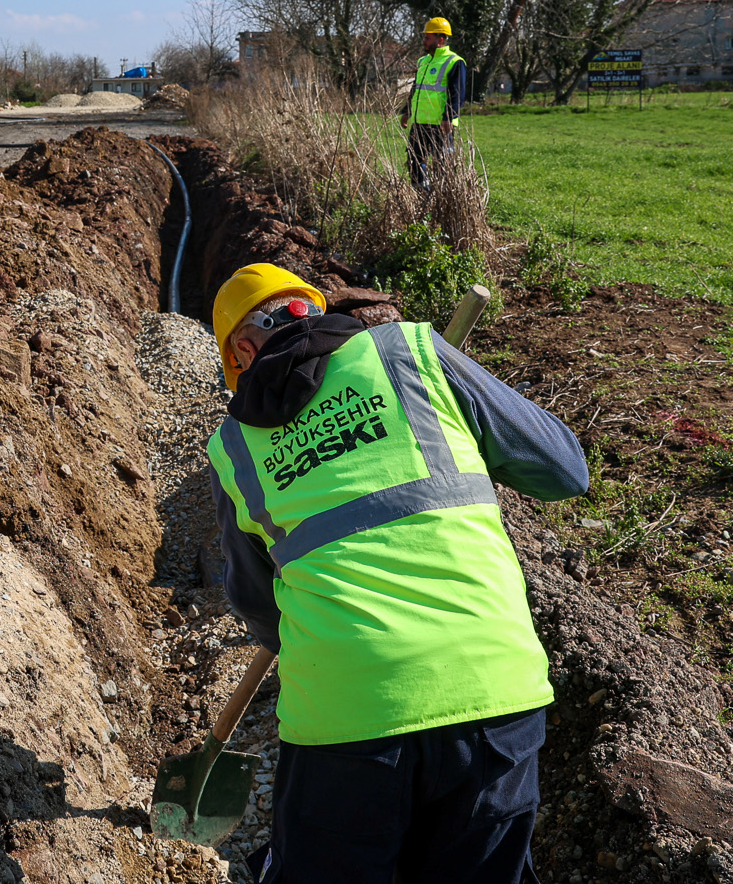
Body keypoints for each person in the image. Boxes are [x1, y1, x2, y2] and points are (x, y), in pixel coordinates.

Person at [205, 262, 588, 884]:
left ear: (242, 352)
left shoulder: (235, 447)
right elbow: (564, 470)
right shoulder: (410, 350)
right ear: (313, 309)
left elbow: (259, 607)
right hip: (493, 690)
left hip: (345, 715)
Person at [400, 17, 468, 189]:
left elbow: (457, 94)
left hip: (440, 125)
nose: (424, 41)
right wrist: (407, 111)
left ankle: (444, 198)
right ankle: (422, 195)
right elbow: (416, 89)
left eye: (427, 38)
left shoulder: (455, 62)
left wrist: (449, 118)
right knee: (414, 161)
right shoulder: (423, 61)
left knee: (443, 164)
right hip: (419, 122)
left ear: (441, 39)